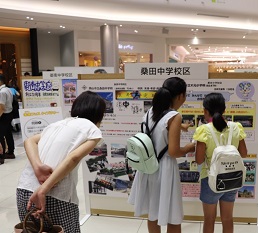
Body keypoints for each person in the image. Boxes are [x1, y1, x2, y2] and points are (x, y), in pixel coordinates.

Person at [16, 91, 106, 233]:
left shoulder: (57, 124)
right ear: (99, 114)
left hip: (24, 190)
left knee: (31, 230)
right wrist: (43, 190)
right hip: (54, 195)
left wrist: (37, 167)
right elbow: (73, 158)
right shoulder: (92, 130)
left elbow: (29, 140)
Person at [128, 77, 196, 233]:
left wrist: (181, 127)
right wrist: (188, 148)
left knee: (153, 214)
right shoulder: (174, 116)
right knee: (173, 214)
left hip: (148, 166)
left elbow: (159, 129)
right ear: (180, 96)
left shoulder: (150, 112)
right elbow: (173, 151)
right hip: (165, 169)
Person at [192, 93, 247, 233]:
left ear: (205, 111)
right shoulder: (236, 127)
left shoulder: (203, 130)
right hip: (232, 178)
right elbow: (244, 153)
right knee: (228, 218)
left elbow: (199, 160)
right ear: (224, 109)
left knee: (209, 219)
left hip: (210, 179)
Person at [0, 74, 15, 164]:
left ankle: (1, 157)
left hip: (3, 115)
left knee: (0, 135)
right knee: (8, 133)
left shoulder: (1, 92)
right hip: (9, 114)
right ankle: (10, 152)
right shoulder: (8, 89)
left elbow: (1, 107)